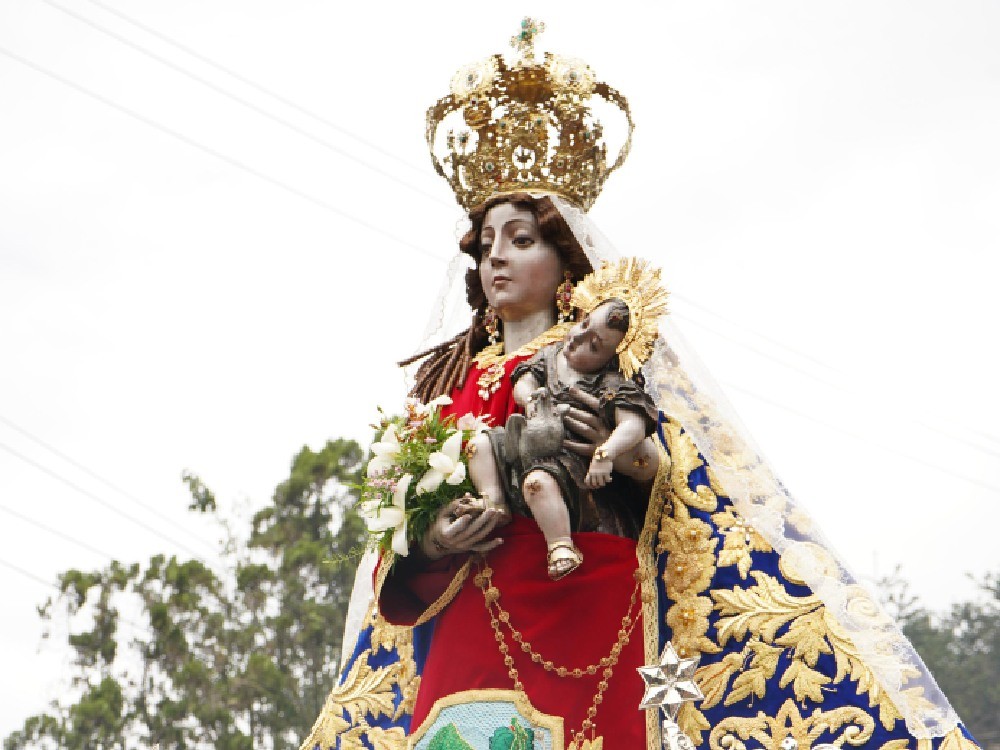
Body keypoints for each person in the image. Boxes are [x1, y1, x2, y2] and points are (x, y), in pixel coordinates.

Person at [301, 20, 982, 750]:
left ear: (566, 262)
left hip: (581, 608)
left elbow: (671, 473)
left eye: (521, 240)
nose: (497, 258)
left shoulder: (599, 357)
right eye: (488, 244)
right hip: (466, 623)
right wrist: (432, 537)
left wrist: (624, 455)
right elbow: (398, 540)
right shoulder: (449, 387)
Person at [466, 259, 667, 581]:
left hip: (566, 458)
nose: (578, 339)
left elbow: (633, 425)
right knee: (479, 444)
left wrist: (606, 452)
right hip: (525, 436)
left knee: (538, 483)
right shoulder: (551, 354)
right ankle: (493, 501)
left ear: (613, 358)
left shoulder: (611, 384)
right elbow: (524, 380)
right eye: (584, 325)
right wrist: (530, 398)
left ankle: (560, 545)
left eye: (594, 345)